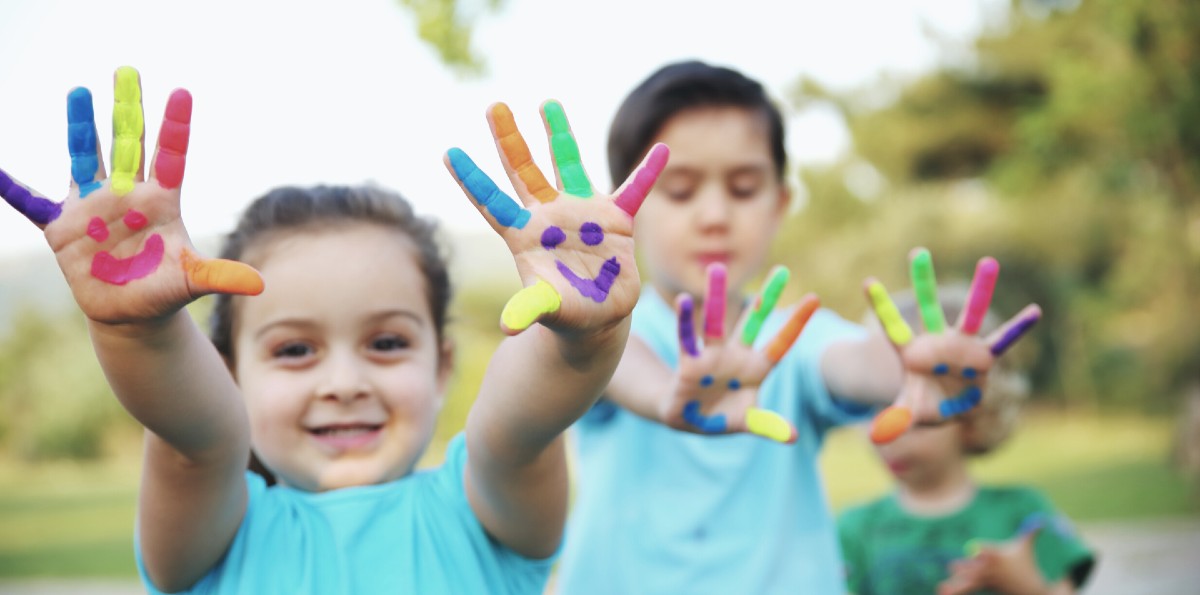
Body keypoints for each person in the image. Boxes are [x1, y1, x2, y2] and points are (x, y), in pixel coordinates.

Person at [0, 67, 667, 593]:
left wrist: (585, 336)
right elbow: (195, 441)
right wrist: (141, 333)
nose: (344, 382)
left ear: (443, 365)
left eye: (386, 342)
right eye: (294, 349)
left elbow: (515, 433)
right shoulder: (213, 537)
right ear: (229, 373)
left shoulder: (481, 517)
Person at [556, 60, 1041, 593]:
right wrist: (668, 393)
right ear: (627, 206)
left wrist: (906, 366)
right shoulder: (603, 330)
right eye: (680, 190)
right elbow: (611, 358)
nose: (715, 214)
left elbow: (852, 361)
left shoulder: (797, 337)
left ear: (779, 204)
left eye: (743, 188)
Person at [838, 287, 1096, 595]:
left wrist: (1027, 586)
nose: (887, 436)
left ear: (973, 418)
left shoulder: (1023, 514)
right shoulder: (853, 529)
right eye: (876, 408)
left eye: (918, 417)